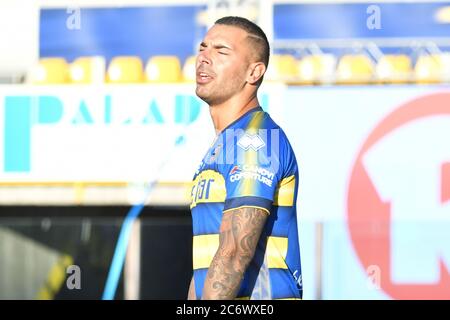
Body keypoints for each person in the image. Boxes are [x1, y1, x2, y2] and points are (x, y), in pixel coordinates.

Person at [188, 16, 302, 300]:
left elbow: (234, 252)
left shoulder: (255, 139)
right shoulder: (226, 143)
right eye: (203, 48)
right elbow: (206, 267)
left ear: (254, 72)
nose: (204, 57)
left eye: (221, 51)